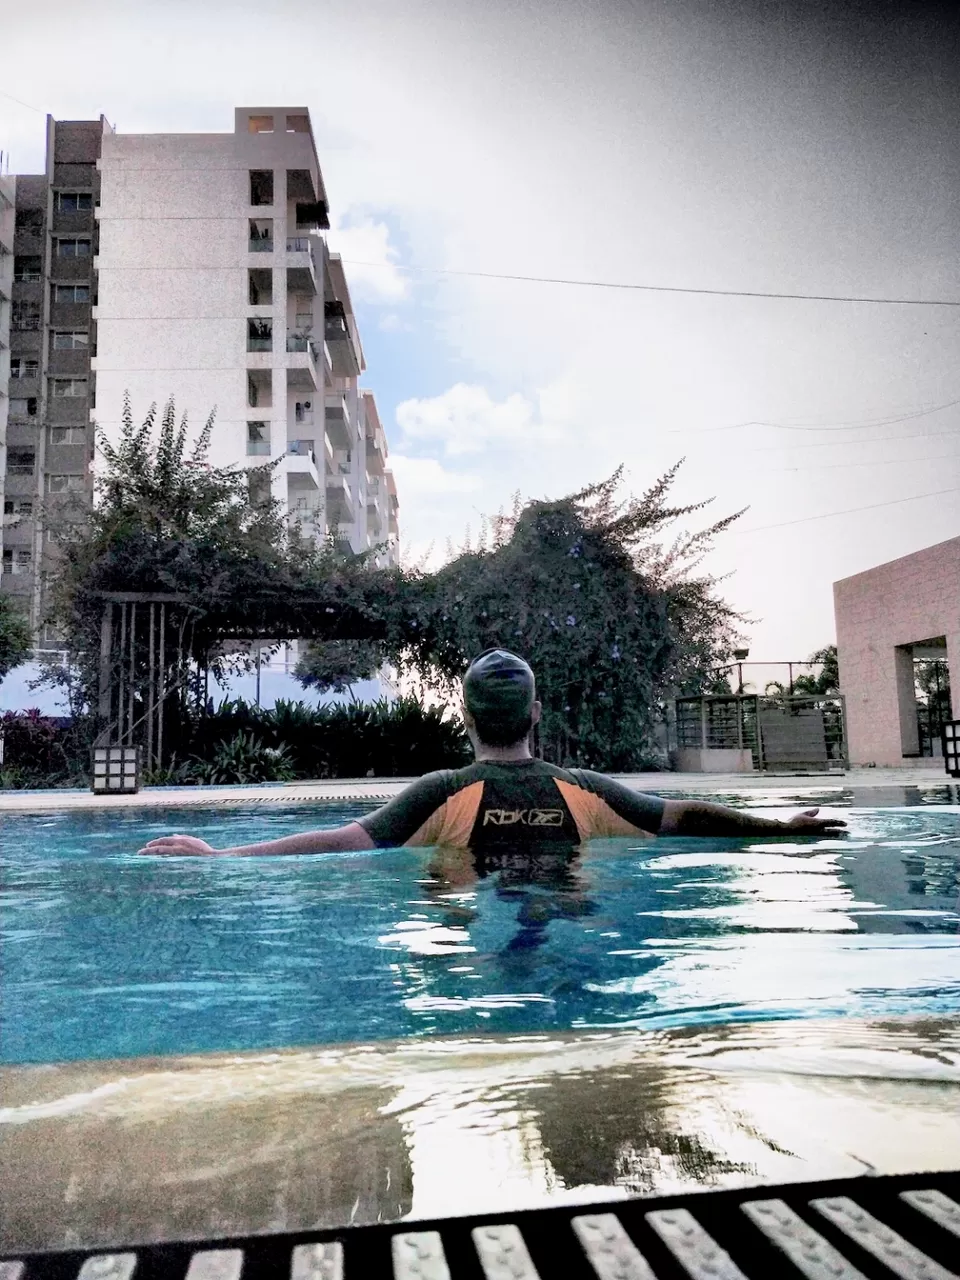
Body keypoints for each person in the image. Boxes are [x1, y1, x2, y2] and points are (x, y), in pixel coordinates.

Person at [139, 649, 847, 857]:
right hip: (572, 933)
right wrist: (782, 829)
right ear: (536, 714)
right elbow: (687, 817)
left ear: (464, 716)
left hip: (468, 950)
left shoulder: (439, 794)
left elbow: (338, 842)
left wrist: (220, 858)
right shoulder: (588, 791)